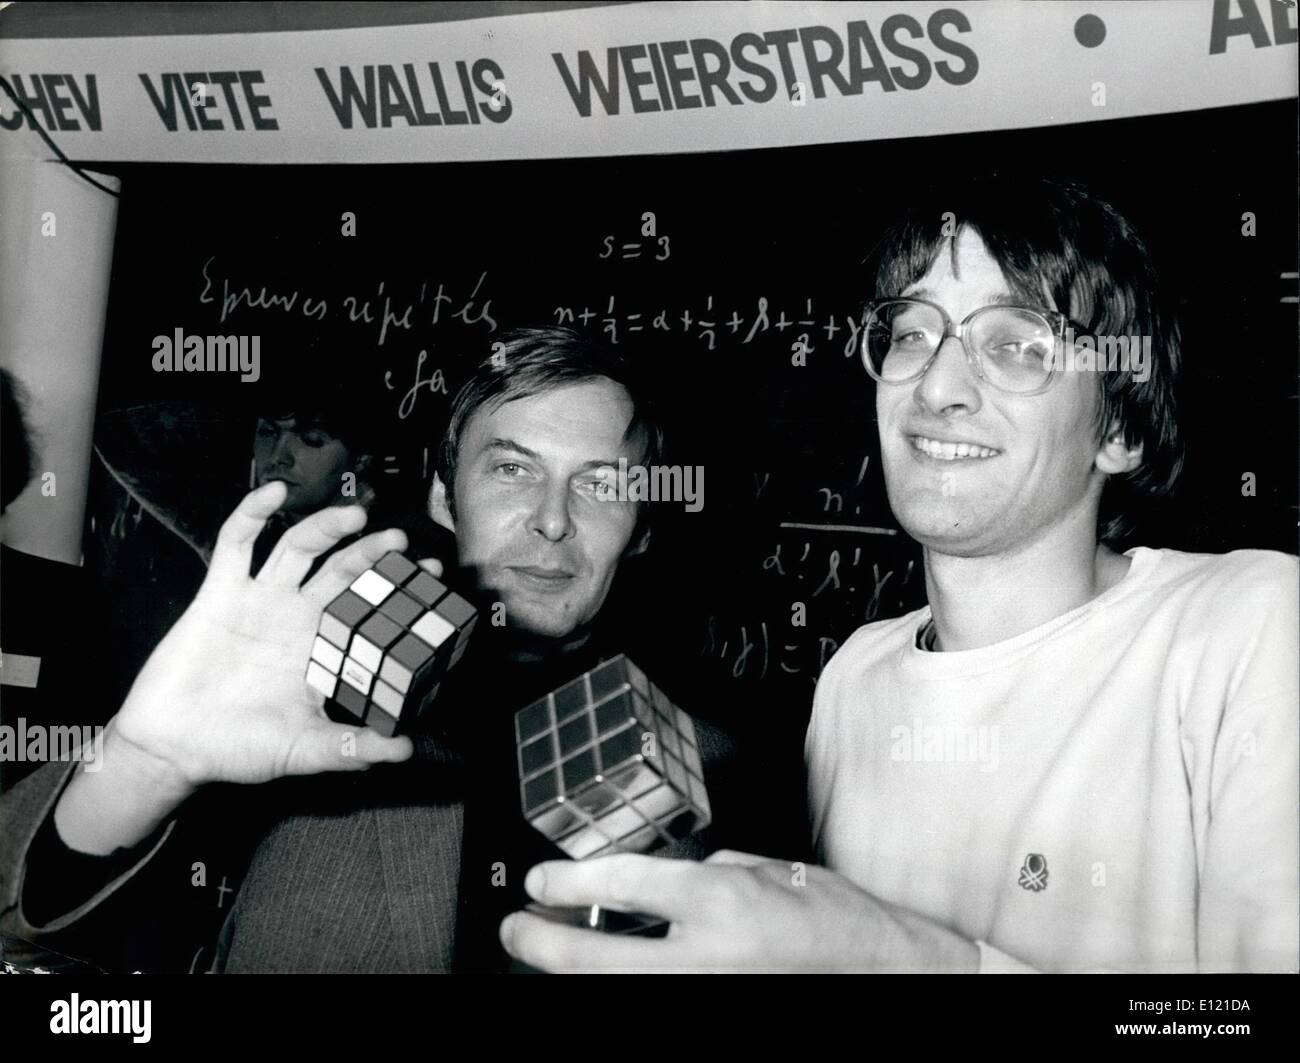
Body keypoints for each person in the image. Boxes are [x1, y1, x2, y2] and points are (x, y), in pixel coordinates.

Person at [498, 177, 1299, 974]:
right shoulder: (854, 675)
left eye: (1017, 344)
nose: (937, 386)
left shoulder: (1248, 627)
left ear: (1119, 428)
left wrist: (902, 956)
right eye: (913, 334)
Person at [0, 328, 770, 973]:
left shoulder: (716, 766)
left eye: (599, 483)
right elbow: (36, 927)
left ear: (641, 523)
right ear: (443, 495)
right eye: (512, 469)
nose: (553, 520)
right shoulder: (309, 686)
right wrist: (144, 765)